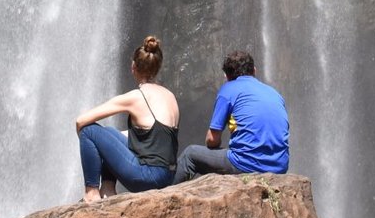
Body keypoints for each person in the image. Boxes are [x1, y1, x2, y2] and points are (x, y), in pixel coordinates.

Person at [75, 35, 179, 201]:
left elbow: (80, 121)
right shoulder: (170, 96)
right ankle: (108, 189)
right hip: (168, 176)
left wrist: (88, 146)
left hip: (148, 177)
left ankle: (91, 193)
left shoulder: (136, 97)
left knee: (89, 131)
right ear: (157, 67)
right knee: (109, 132)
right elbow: (153, 139)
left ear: (133, 67)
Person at [172, 49, 289, 183]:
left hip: (248, 164)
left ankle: (164, 197)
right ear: (254, 71)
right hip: (280, 166)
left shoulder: (228, 89)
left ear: (227, 76)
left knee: (190, 154)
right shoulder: (274, 93)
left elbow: (212, 139)